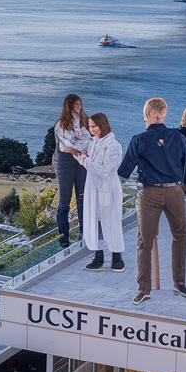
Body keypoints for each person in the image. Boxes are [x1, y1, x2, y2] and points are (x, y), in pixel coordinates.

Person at [118, 98, 186, 304]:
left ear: (146, 114)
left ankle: (144, 289)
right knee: (180, 235)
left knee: (145, 241)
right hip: (175, 191)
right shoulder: (179, 137)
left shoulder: (138, 139)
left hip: (149, 193)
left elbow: (124, 172)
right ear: (164, 114)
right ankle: (180, 284)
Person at [75, 113, 125, 273]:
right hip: (93, 189)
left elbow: (103, 170)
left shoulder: (113, 146)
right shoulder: (94, 143)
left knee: (111, 223)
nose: (91, 130)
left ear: (102, 125)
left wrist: (83, 160)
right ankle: (98, 257)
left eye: (93, 126)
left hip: (107, 189)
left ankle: (117, 259)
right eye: (90, 126)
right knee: (94, 223)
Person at [54, 94, 92, 248]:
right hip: (65, 164)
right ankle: (64, 236)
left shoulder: (86, 121)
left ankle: (85, 232)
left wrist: (80, 147)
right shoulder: (60, 124)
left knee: (83, 198)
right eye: (76, 104)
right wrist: (82, 146)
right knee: (64, 200)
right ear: (68, 106)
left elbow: (91, 140)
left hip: (82, 162)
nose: (79, 107)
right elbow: (68, 144)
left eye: (80, 104)